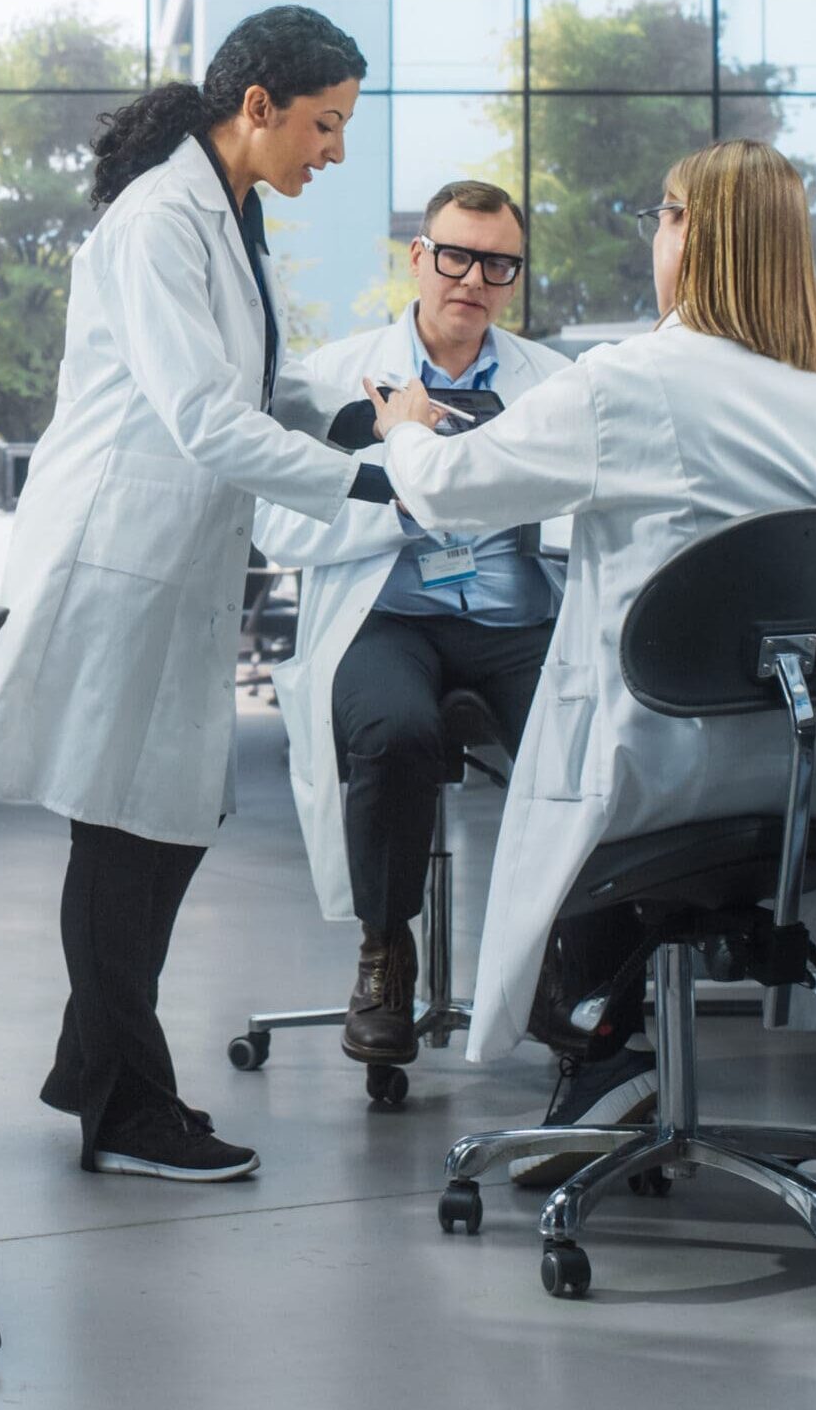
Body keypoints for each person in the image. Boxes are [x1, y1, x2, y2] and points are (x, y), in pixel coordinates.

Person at [361, 139, 816, 1145]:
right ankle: (606, 1055)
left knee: (562, 815)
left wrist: (403, 424)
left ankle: (601, 1051)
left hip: (648, 777)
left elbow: (445, 489)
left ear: (690, 236)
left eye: (663, 216)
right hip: (794, 788)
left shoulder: (627, 383)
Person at [0, 4, 389, 1182]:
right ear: (259, 107)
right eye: (326, 125)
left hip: (170, 555)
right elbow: (205, 418)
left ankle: (93, 1064)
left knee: (163, 822)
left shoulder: (228, 208)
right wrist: (371, 477)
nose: (334, 152)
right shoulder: (162, 218)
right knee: (128, 827)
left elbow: (244, 378)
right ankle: (123, 1107)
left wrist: (360, 411)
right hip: (118, 556)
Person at [250, 179, 570, 1065]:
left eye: (497, 263)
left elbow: (594, 505)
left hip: (515, 617)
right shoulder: (331, 378)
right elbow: (272, 522)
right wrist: (411, 485)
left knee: (582, 735)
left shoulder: (555, 385)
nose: (473, 278)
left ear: (512, 277)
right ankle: (385, 951)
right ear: (420, 258)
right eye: (456, 256)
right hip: (389, 617)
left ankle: (563, 960)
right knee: (395, 734)